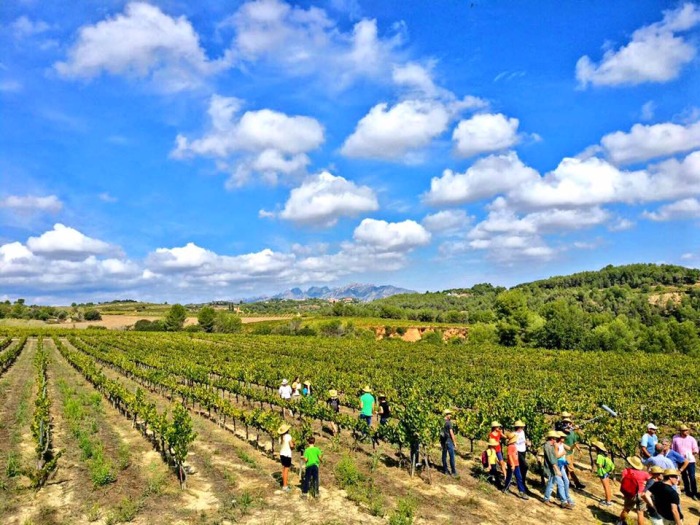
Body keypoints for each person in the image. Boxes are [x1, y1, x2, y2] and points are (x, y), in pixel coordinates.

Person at [618, 456, 652, 525]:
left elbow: (622, 480)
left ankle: (620, 522)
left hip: (631, 493)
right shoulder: (644, 473)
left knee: (627, 509)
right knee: (640, 513)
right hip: (641, 494)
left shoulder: (626, 471)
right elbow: (651, 480)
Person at [543, 430, 571, 509]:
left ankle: (547, 499)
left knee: (551, 483)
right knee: (558, 483)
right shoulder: (548, 446)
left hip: (553, 468)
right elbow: (552, 460)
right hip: (551, 468)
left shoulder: (550, 446)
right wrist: (557, 470)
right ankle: (563, 502)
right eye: (555, 438)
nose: (556, 440)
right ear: (552, 438)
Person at [672, 424, 698, 500]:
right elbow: (673, 449)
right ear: (681, 431)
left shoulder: (692, 439)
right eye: (685, 430)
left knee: (692, 476)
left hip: (690, 461)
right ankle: (687, 490)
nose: (686, 432)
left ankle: (694, 493)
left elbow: (695, 449)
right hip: (680, 461)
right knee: (684, 476)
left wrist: (692, 453)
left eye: (687, 430)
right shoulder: (675, 438)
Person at [503, 431, 528, 499]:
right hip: (513, 464)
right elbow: (510, 456)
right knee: (510, 477)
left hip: (516, 464)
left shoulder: (513, 446)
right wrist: (513, 464)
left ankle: (521, 491)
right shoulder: (511, 446)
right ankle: (506, 488)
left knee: (519, 477)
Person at [563, 423, 586, 489]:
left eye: (570, 424)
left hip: (570, 453)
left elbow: (575, 443)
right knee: (571, 469)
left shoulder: (573, 433)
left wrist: (579, 450)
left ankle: (567, 482)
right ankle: (577, 483)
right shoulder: (564, 433)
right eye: (568, 424)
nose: (570, 425)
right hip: (565, 453)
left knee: (567, 469)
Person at [592, 440, 614, 507]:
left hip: (602, 473)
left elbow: (600, 465)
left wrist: (595, 462)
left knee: (606, 487)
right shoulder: (604, 455)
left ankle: (608, 502)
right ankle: (608, 499)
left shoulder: (599, 456)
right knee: (608, 486)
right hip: (606, 472)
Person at [556, 431, 575, 507]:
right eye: (563, 437)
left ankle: (567, 497)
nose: (564, 438)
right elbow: (556, 456)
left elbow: (570, 448)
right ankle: (563, 500)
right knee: (561, 483)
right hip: (558, 465)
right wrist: (563, 453)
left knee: (566, 481)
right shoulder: (556, 445)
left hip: (562, 465)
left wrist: (574, 445)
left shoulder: (562, 444)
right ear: (559, 438)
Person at [513, 420, 530, 490]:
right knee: (525, 466)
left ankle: (522, 482)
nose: (522, 428)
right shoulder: (514, 434)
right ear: (518, 427)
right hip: (518, 451)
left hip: (523, 450)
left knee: (522, 467)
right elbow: (515, 442)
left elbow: (524, 440)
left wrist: (527, 442)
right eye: (521, 427)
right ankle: (521, 482)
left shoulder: (522, 432)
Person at [441, 409, 457, 477]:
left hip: (443, 441)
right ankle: (453, 472)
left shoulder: (442, 422)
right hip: (449, 441)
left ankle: (445, 470)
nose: (451, 415)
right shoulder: (449, 423)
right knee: (451, 456)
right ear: (447, 415)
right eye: (450, 414)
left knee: (444, 456)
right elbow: (451, 433)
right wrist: (455, 442)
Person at [278, 424, 294, 492]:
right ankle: (285, 486)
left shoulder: (280, 437)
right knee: (286, 470)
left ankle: (283, 483)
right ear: (287, 430)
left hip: (282, 454)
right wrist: (294, 445)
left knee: (283, 469)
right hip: (287, 455)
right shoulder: (288, 436)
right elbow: (291, 446)